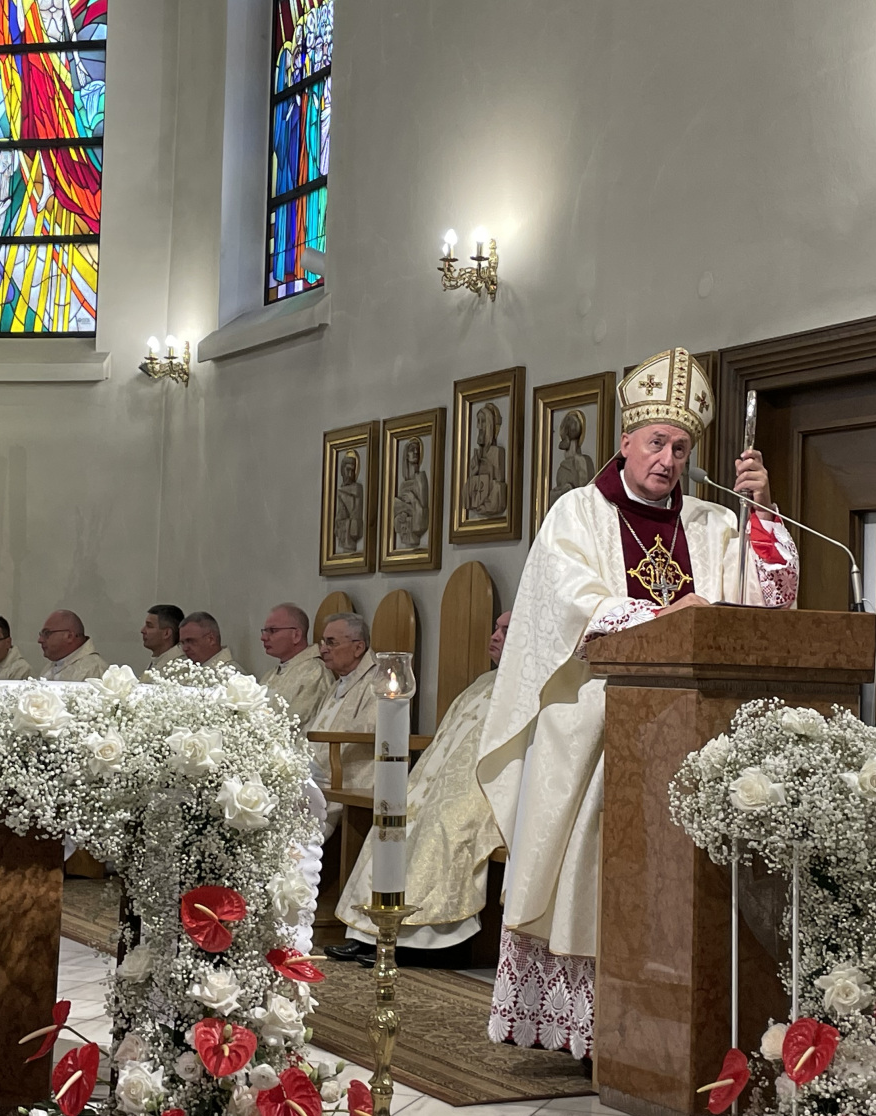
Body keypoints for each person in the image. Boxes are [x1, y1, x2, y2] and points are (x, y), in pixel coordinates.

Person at [477, 347, 800, 1060]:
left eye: (681, 448)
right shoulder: (579, 513)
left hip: (694, 730)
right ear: (626, 441)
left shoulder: (713, 523)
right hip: (598, 717)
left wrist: (763, 512)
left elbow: (769, 601)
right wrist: (665, 616)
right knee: (592, 870)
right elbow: (571, 604)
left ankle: (673, 1019)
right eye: (657, 443)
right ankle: (597, 1025)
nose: (669, 459)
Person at [328, 610, 512, 964]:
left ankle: (420, 941)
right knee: (393, 819)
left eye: (506, 630)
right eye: (495, 628)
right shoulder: (483, 682)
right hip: (438, 783)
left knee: (445, 827)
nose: (495, 635)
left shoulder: (530, 688)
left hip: (485, 788)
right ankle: (368, 933)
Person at [304, 612, 384, 828]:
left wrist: (315, 764)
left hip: (343, 780)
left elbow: (368, 728)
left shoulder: (378, 681)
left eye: (331, 642)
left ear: (358, 648)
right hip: (314, 775)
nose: (323, 649)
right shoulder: (339, 683)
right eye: (323, 642)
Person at [260, 602, 333, 728]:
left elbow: (297, 725)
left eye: (272, 631)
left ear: (296, 635)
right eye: (264, 631)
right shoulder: (270, 675)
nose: (263, 637)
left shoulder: (314, 673)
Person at [38, 610, 107, 681]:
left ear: (69, 636)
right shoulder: (50, 667)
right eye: (41, 635)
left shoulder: (94, 670)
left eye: (47, 633)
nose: (40, 640)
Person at [142, 603, 185, 674]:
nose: (143, 631)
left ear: (166, 633)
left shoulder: (178, 668)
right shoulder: (158, 659)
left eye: (149, 626)